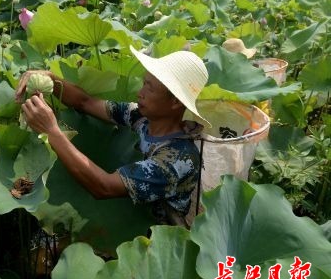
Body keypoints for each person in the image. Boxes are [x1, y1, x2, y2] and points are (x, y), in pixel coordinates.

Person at [15, 47, 211, 228]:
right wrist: (50, 79)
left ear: (176, 102)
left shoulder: (177, 160)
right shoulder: (141, 117)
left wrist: (51, 131)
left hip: (153, 243)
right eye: (143, 84)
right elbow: (86, 102)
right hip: (123, 216)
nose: (139, 93)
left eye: (149, 88)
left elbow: (104, 187)